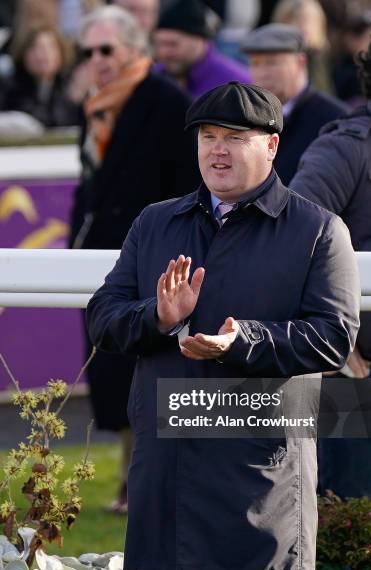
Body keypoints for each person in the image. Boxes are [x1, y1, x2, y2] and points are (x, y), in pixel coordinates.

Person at [86, 80, 360, 570]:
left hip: (260, 486)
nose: (217, 150)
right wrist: (158, 317)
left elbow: (333, 337)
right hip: (167, 481)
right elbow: (102, 317)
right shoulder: (156, 222)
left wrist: (244, 342)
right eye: (208, 137)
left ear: (272, 146)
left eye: (234, 138)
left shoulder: (319, 230)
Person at [69, 5, 201, 513]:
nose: (97, 60)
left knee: (145, 370)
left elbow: (183, 184)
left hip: (152, 258)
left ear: (134, 49)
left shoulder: (167, 102)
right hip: (102, 251)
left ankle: (144, 482)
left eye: (107, 50)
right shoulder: (96, 105)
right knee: (111, 369)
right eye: (88, 52)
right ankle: (131, 480)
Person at [290, 15, 371, 511]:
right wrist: (331, 343)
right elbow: (288, 238)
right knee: (350, 521)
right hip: (364, 373)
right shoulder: (346, 145)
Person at [241, 23, 347, 185]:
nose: (262, 73)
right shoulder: (245, 117)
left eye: (272, 63)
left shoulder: (335, 119)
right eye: (255, 63)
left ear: (300, 62)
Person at [154, 0, 251, 98]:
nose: (164, 52)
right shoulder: (152, 76)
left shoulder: (236, 85)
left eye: (172, 44)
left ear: (200, 41)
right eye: (158, 44)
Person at [1, 25, 79, 127]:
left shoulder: (69, 86)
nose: (44, 54)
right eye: (35, 47)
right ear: (23, 54)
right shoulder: (9, 89)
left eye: (50, 47)